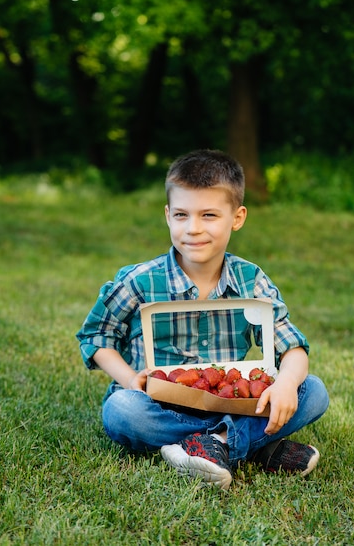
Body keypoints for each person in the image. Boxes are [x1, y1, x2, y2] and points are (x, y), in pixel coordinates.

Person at [76, 149, 329, 490]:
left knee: (313, 391)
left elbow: (292, 347)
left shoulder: (251, 280)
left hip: (234, 400)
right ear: (167, 216)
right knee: (121, 410)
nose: (193, 229)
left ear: (237, 218)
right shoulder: (139, 280)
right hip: (159, 406)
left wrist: (284, 385)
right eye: (181, 215)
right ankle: (252, 446)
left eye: (209, 215)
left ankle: (212, 445)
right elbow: (97, 337)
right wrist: (130, 378)